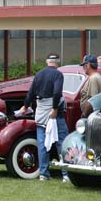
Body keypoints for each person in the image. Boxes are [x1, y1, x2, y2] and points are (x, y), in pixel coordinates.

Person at [18, 54, 69, 182]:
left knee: (42, 144)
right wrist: (55, 108)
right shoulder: (58, 75)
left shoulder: (39, 74)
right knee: (62, 143)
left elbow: (30, 93)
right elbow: (57, 92)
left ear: (47, 62)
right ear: (58, 63)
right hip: (55, 113)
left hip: (40, 112)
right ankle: (66, 174)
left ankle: (43, 173)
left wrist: (25, 106)